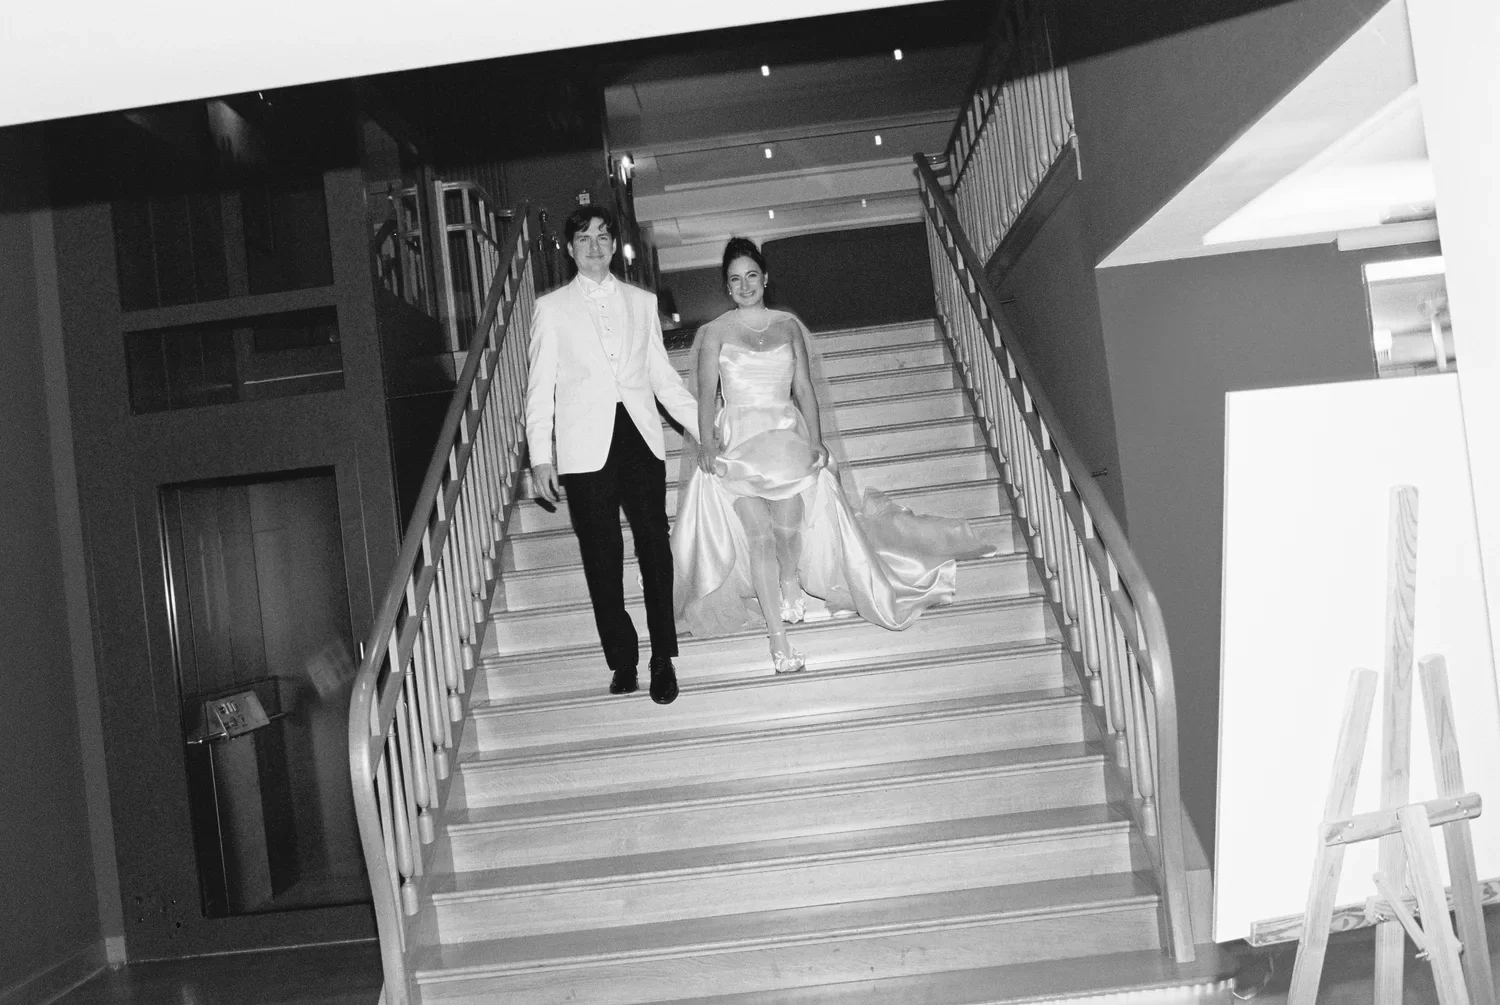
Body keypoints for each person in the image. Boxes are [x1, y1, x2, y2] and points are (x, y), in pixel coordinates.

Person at [672, 237, 995, 674]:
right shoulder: (714, 334)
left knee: (788, 531)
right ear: (727, 287)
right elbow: (707, 396)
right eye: (735, 279)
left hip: (785, 439)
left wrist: (817, 440)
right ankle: (778, 639)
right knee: (760, 538)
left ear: (765, 278)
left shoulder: (787, 327)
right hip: (738, 447)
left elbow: (803, 388)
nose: (745, 285)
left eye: (752, 276)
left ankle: (791, 579)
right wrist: (708, 445)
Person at [525, 205, 698, 704]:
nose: (595, 245)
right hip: (583, 450)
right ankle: (623, 658)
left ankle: (663, 657)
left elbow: (663, 378)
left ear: (614, 244)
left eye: (603, 236)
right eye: (584, 238)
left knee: (654, 547)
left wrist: (703, 427)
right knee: (602, 558)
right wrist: (542, 455)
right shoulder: (551, 309)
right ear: (569, 248)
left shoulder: (642, 302)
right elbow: (540, 390)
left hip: (640, 437)